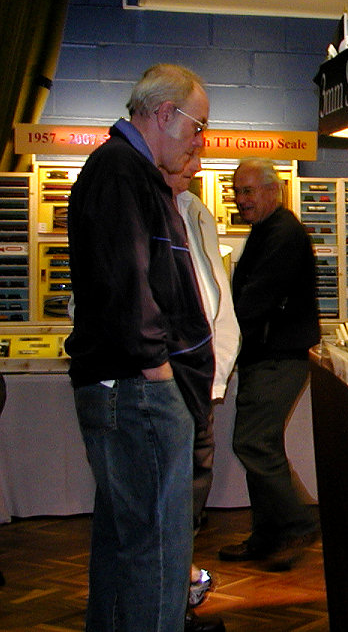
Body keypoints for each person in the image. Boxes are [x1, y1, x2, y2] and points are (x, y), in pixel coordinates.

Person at [66, 64, 224, 632]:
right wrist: (159, 372)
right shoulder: (120, 171)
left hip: (130, 387)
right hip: (139, 391)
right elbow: (127, 285)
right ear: (164, 113)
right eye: (198, 126)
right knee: (158, 556)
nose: (200, 141)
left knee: (124, 544)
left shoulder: (126, 171)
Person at [219, 158, 320, 570]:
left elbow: (256, 298)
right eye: (237, 191)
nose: (241, 199)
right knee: (262, 443)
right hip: (267, 354)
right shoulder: (269, 230)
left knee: (253, 443)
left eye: (248, 191)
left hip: (278, 356)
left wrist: (224, 340)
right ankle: (267, 535)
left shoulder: (281, 234)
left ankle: (296, 523)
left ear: (272, 190)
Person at [161, 155, 240, 608]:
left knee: (193, 479)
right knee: (164, 488)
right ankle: (166, 592)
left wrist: (215, 374)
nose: (197, 158)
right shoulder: (144, 208)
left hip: (198, 378)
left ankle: (178, 580)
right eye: (189, 147)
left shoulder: (194, 209)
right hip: (165, 378)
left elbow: (216, 293)